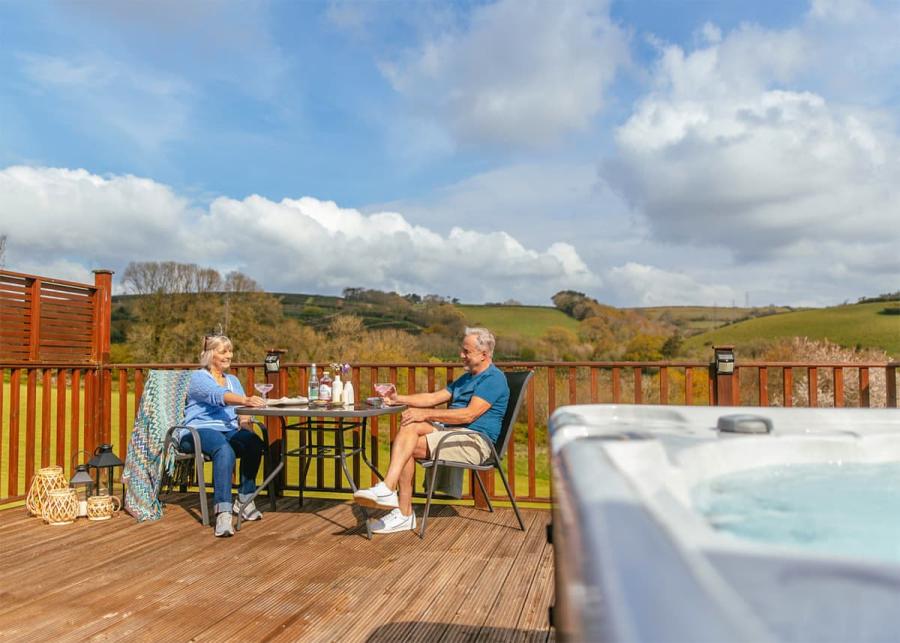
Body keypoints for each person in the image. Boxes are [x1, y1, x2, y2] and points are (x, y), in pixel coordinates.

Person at [353, 327, 509, 534]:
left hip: (475, 442)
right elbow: (432, 398)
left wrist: (426, 414)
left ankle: (401, 509)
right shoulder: (467, 377)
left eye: (466, 351)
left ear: (484, 354)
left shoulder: (493, 379)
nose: (461, 355)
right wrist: (398, 399)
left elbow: (468, 415)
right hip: (453, 433)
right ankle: (392, 495)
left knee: (406, 444)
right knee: (409, 426)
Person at [177, 335, 267, 537]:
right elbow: (218, 395)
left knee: (254, 444)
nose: (229, 356)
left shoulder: (233, 380)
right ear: (210, 355)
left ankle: (244, 499)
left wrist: (246, 427)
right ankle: (223, 512)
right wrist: (246, 399)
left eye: (230, 351)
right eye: (223, 351)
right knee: (224, 450)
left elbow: (243, 412)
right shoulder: (199, 377)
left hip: (227, 429)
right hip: (198, 430)